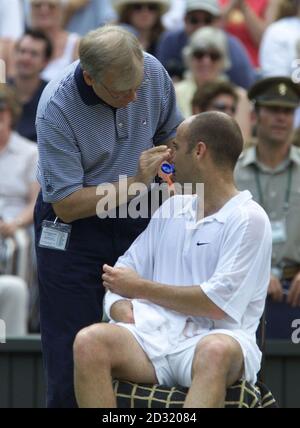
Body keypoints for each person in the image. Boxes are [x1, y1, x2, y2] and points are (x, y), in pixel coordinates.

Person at [73, 111, 272, 408]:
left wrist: (139, 289)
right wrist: (119, 306)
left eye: (176, 146)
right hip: (154, 337)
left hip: (217, 340)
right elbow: (122, 272)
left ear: (199, 151)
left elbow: (216, 304)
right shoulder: (172, 207)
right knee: (89, 342)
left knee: (214, 351)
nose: (169, 154)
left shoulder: (250, 219)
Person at [34, 25, 182, 407]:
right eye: (121, 92)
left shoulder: (150, 71)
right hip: (74, 227)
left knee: (152, 338)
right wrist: (135, 182)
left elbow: (171, 138)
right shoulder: (56, 108)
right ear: (90, 77)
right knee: (71, 351)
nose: (134, 98)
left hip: (140, 216)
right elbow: (66, 204)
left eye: (138, 85)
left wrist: (169, 177)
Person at [234, 76, 300, 339]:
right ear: (255, 115)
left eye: (287, 111)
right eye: (273, 109)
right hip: (245, 288)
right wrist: (258, 271)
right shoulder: (233, 170)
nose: (281, 118)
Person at [156, 0, 255, 88]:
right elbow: (158, 83)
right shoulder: (170, 41)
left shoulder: (232, 47)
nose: (201, 26)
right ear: (185, 20)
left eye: (207, 20)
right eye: (194, 20)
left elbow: (245, 86)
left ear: (218, 22)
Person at [175, 26, 251, 139]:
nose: (206, 61)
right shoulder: (174, 92)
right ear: (189, 58)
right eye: (199, 54)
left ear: (224, 61)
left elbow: (243, 142)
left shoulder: (239, 96)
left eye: (214, 56)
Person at [9, 30, 52, 142]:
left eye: (34, 54)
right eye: (22, 51)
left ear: (45, 62)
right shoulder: (2, 90)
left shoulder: (53, 96)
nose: (26, 58)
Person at [29, 0, 80, 82]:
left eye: (51, 6)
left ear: (61, 10)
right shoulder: (20, 42)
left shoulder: (75, 43)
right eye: (37, 5)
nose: (44, 10)